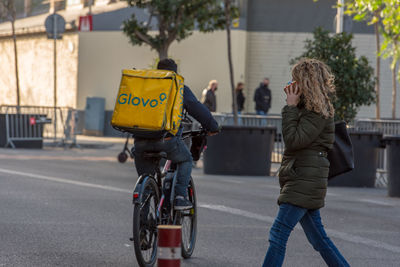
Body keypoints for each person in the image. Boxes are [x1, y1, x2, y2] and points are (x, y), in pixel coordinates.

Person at [262, 58, 349, 267]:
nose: (292, 84)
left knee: (278, 234)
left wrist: (290, 107)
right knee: (319, 239)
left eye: (296, 79)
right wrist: (294, 106)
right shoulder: (310, 107)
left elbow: (294, 140)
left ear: (306, 82)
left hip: (304, 178)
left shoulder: (317, 110)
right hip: (304, 175)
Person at [133, 59, 219, 210]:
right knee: (186, 159)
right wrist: (212, 127)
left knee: (146, 188)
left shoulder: (143, 88)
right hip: (166, 140)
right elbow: (197, 109)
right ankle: (180, 197)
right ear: (175, 72)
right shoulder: (178, 88)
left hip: (140, 141)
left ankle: (143, 226)